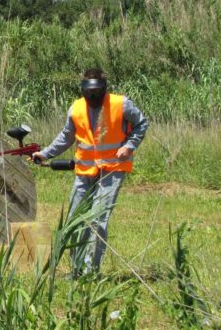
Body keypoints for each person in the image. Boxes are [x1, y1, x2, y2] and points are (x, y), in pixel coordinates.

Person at [32, 68, 148, 275]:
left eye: (97, 91)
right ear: (84, 90)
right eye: (89, 92)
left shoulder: (121, 104)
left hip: (112, 170)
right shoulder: (76, 108)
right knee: (75, 219)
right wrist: (45, 154)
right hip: (84, 171)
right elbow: (66, 137)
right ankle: (76, 269)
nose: (93, 96)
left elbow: (142, 123)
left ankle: (90, 271)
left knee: (97, 220)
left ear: (104, 88)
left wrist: (129, 146)